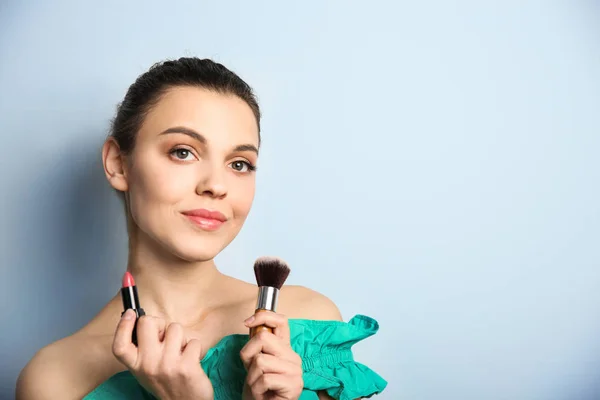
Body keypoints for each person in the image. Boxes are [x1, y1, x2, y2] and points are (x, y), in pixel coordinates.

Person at [16, 57, 387, 400]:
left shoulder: (306, 324)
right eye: (183, 152)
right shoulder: (57, 378)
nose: (216, 185)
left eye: (239, 164)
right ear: (118, 164)